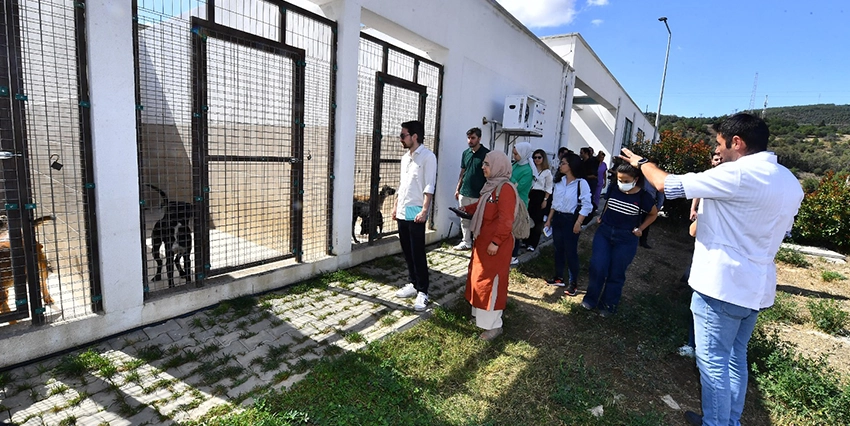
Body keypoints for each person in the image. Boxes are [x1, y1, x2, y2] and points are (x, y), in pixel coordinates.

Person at [621, 113, 804, 426]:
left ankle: (716, 423)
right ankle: (728, 420)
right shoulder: (789, 181)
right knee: (735, 358)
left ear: (737, 142)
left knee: (713, 362)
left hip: (721, 286)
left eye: (720, 143)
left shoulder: (739, 175)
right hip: (755, 289)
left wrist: (641, 162)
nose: (718, 149)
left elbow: (667, 184)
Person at [580, 163, 658, 317]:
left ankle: (608, 306)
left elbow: (653, 214)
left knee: (616, 272)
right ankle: (590, 300)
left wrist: (641, 228)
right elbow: (608, 202)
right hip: (604, 233)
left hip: (626, 238)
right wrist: (603, 216)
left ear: (636, 179)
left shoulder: (643, 197)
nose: (622, 183)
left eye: (625, 180)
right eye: (619, 179)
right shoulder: (613, 189)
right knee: (598, 266)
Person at [460, 151, 518, 341]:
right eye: (483, 163)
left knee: (491, 283)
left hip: (496, 246)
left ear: (498, 166)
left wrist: (496, 242)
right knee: (479, 279)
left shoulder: (506, 189)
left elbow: (506, 220)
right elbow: (481, 206)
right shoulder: (490, 186)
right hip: (483, 242)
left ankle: (494, 326)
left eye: (487, 164)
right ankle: (480, 318)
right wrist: (466, 209)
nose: (483, 167)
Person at [679, 148, 723, 359]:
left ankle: (695, 346)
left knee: (703, 307)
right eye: (715, 159)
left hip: (713, 262)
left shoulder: (717, 186)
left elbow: (694, 231)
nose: (717, 162)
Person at [393, 120, 437, 312]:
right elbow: (403, 185)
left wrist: (424, 210)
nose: (401, 139)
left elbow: (429, 186)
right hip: (403, 209)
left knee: (417, 251)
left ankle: (423, 291)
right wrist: (395, 207)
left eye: (403, 135)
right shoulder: (405, 158)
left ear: (414, 136)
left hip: (416, 209)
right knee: (407, 250)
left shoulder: (428, 157)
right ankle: (412, 283)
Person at [544, 155, 591, 296]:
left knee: (571, 252)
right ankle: (559, 277)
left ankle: (573, 283)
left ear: (571, 165)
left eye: (563, 163)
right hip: (558, 218)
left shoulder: (581, 183)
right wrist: (549, 219)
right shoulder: (559, 181)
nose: (560, 165)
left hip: (571, 220)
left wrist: (578, 223)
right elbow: (555, 203)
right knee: (558, 249)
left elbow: (587, 205)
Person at [454, 127, 490, 251]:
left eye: (473, 138)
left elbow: (489, 175)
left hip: (478, 194)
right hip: (465, 191)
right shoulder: (466, 153)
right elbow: (462, 172)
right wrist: (458, 188)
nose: (470, 141)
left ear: (479, 139)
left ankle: (477, 243)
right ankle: (466, 241)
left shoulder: (486, 154)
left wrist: (486, 193)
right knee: (464, 218)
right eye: (468, 138)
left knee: (477, 219)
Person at [523, 149, 553, 252]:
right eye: (535, 157)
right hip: (530, 194)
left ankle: (533, 243)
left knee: (537, 221)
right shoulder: (531, 169)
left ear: (543, 158)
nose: (537, 159)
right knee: (527, 218)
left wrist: (545, 200)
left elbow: (549, 187)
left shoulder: (547, 172)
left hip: (540, 196)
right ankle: (526, 240)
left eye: (539, 157)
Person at [509, 142, 534, 266]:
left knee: (516, 230)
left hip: (520, 204)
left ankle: (514, 255)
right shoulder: (515, 165)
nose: (514, 156)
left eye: (516, 153)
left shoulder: (528, 171)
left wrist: (508, 176)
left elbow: (517, 187)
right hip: (509, 201)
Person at [638, 171, 665, 249]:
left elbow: (661, 193)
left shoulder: (656, 180)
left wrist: (659, 206)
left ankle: (643, 241)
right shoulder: (641, 177)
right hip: (638, 199)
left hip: (649, 202)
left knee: (646, 222)